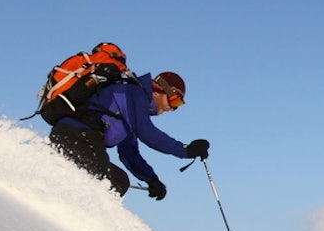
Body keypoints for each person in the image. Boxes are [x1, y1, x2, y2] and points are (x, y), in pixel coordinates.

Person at [49, 69, 209, 199]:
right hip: (76, 135)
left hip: (80, 139)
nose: (172, 109)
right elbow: (146, 132)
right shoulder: (133, 93)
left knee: (119, 181)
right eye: (174, 101)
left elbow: (129, 153)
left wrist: (151, 179)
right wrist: (185, 150)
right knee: (105, 181)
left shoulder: (132, 112)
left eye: (178, 105)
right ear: (157, 91)